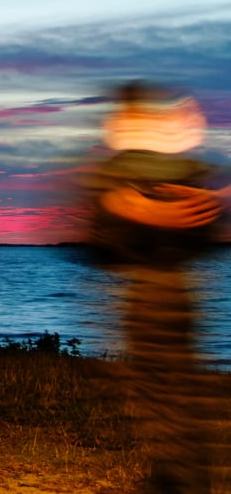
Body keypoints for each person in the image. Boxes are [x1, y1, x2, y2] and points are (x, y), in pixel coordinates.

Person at [83, 82, 224, 493]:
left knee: (164, 390)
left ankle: (182, 480)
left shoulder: (137, 174)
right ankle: (173, 476)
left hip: (155, 291)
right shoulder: (177, 173)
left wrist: (139, 211)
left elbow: (107, 234)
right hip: (168, 289)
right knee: (164, 391)